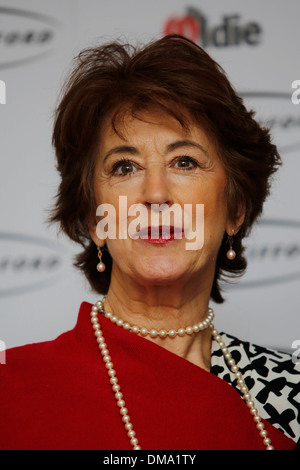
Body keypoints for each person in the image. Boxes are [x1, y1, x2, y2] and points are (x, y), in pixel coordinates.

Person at [0, 34, 299, 451]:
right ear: (95, 218)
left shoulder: (291, 394)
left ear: (235, 208)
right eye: (124, 167)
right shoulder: (10, 391)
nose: (155, 194)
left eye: (184, 162)